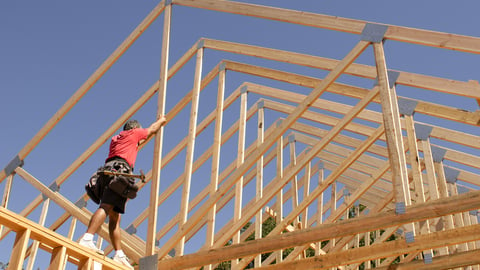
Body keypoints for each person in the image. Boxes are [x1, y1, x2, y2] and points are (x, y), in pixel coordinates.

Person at [79, 116, 166, 268]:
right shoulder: (135, 133)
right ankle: (87, 238)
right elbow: (151, 130)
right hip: (119, 172)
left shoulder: (117, 139)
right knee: (106, 207)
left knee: (115, 217)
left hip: (106, 172)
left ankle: (118, 254)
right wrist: (161, 121)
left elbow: (138, 143)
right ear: (135, 129)